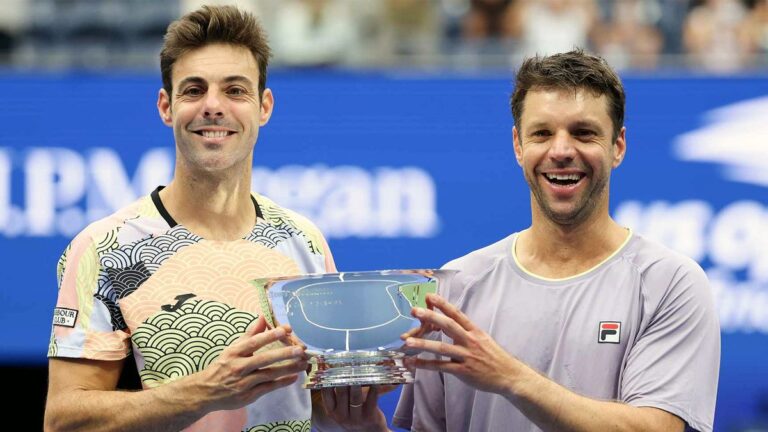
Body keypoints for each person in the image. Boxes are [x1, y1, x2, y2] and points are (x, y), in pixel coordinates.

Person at [44, 5, 348, 431]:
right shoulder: (102, 248)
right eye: (193, 90)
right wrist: (208, 390)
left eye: (235, 90)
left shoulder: (305, 240)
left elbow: (327, 411)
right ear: (166, 107)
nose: (213, 106)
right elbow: (63, 422)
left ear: (264, 106)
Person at [390, 49, 720, 431]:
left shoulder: (670, 283)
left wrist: (511, 378)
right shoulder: (457, 283)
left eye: (583, 133)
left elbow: (656, 429)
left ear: (618, 146)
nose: (561, 151)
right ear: (518, 145)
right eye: (542, 133)